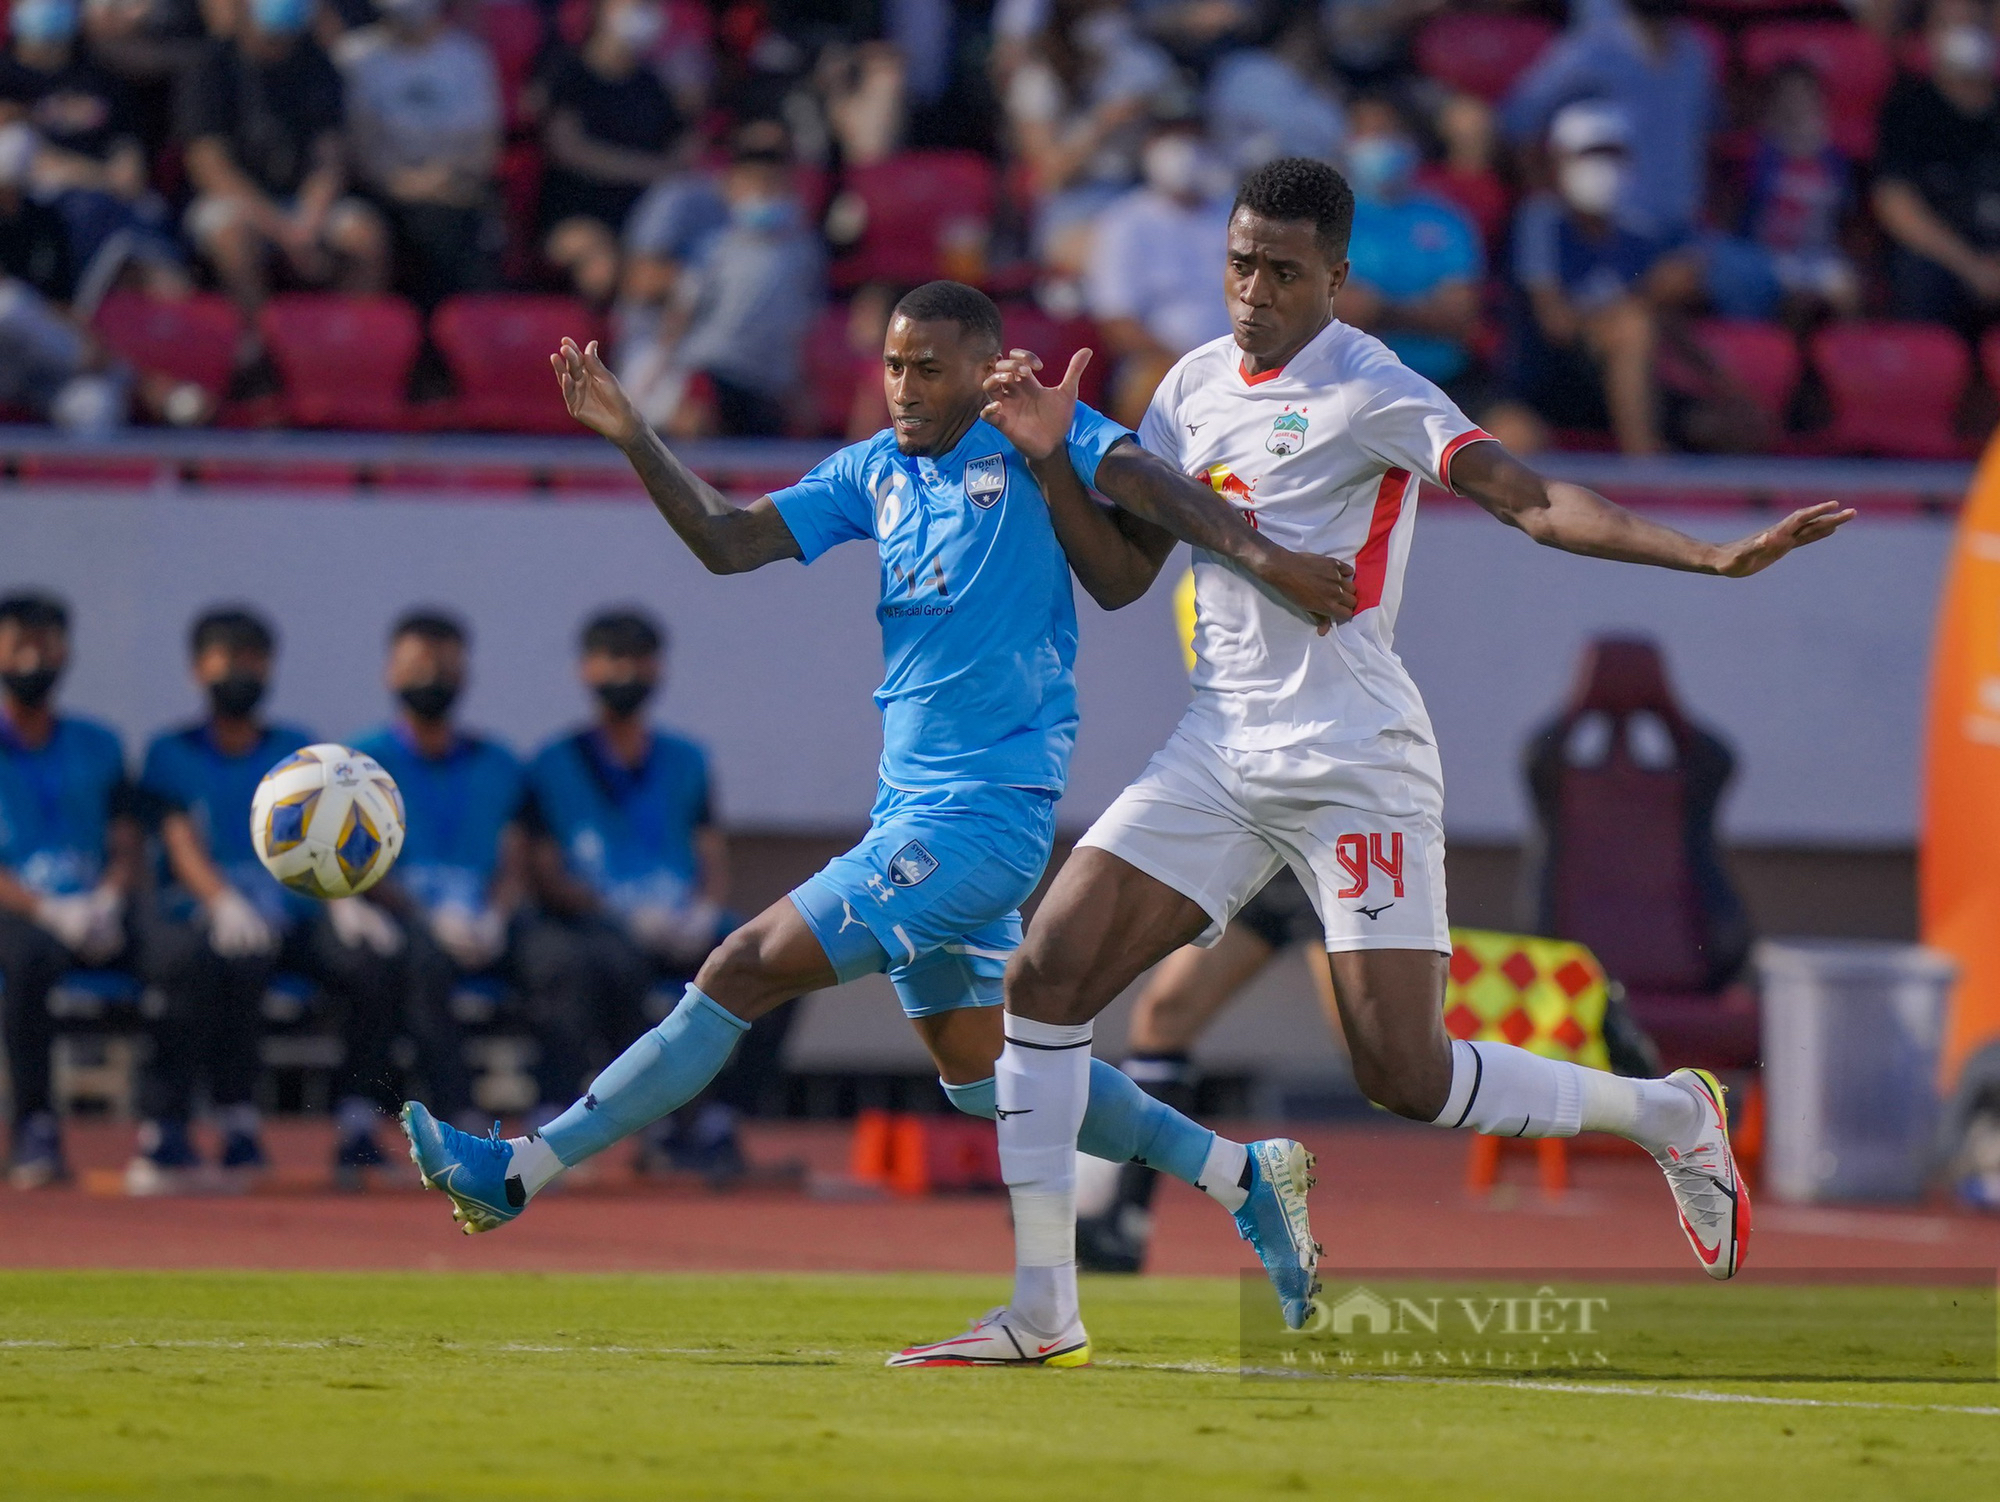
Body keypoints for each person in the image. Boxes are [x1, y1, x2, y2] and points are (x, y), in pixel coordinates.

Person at [903, 155, 1849, 1365]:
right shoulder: (1188, 386)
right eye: (1239, 261)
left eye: (1282, 271)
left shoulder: (1372, 386)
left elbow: (1531, 498)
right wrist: (1048, 457)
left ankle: (1671, 1111)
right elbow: (1121, 575)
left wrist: (1703, 556)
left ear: (1336, 278)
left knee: (1399, 1071)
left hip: (1356, 758)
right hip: (1218, 745)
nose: (1252, 289)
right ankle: (1042, 1309)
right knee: (1042, 979)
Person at [399, 282, 1357, 1347]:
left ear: (982, 367)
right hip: (907, 812)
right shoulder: (870, 471)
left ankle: (518, 1168)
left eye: (928, 368)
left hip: (980, 822)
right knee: (984, 1078)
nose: (903, 388)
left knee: (740, 965)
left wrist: (1256, 554)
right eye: (893, 366)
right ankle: (1242, 1175)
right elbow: (727, 540)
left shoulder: (1031, 439)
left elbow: (1143, 503)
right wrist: (635, 436)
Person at [129, 607, 406, 1190]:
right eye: (227, 660)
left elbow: (331, 836)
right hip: (208, 917)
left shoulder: (299, 751)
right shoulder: (169, 751)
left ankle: (359, 1122)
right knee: (223, 962)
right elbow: (179, 842)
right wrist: (223, 900)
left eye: (254, 661)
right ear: (197, 670)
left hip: (295, 912)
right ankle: (227, 1122)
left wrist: (347, 899)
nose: (242, 673)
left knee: (372, 962)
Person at [514, 607, 776, 1179]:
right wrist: (613, 913)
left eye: (640, 660)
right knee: (607, 965)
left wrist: (704, 908)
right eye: (615, 660)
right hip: (600, 926)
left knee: (775, 960)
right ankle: (650, 1122)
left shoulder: (687, 760)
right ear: (587, 670)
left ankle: (719, 1122)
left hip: (679, 921)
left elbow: (710, 852)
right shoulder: (551, 764)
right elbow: (544, 870)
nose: (629, 673)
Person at [346, 610, 523, 1143]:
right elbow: (353, 862)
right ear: (389, 674)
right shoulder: (359, 760)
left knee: (562, 961)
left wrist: (495, 914)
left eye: (446, 668)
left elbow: (516, 857)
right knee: (407, 964)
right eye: (419, 666)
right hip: (399, 919)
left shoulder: (500, 763)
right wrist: (423, 917)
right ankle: (447, 1112)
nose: (433, 680)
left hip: (481, 923)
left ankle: (561, 1114)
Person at [0, 592, 138, 1189]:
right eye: (20, 643)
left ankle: (174, 1127)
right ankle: (35, 1125)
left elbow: (126, 840)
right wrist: (47, 909)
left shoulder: (100, 744)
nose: (35, 657)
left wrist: (107, 896)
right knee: (29, 960)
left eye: (47, 643)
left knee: (180, 957)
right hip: (18, 914)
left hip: (96, 912)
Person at [1508, 102, 1702, 455]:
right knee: (1633, 325)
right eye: (1590, 156)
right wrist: (1649, 294)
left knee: (1727, 423)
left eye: (1612, 156)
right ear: (1559, 162)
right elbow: (1558, 325)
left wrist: (1730, 389)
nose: (1602, 168)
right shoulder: (1542, 222)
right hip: (1553, 379)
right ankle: (1644, 466)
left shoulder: (1640, 233)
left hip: (1625, 383)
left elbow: (1669, 324)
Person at [176, 0, 389, 314]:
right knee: (233, 239)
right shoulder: (210, 65)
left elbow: (329, 158)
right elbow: (209, 166)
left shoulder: (318, 64)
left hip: (303, 203)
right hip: (237, 199)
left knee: (364, 235)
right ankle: (261, 345)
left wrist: (309, 221)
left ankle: (344, 342)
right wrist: (282, 231)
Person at [614, 122, 822, 437]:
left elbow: (798, 326)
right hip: (707, 364)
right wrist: (659, 368)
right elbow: (671, 300)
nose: (764, 191)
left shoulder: (802, 248)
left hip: (766, 379)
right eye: (756, 179)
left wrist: (799, 391)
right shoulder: (712, 243)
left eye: (774, 180)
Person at [0, 0, 185, 297]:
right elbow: (24, 154)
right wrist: (101, 177)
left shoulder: (98, 74)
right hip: (44, 201)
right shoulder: (7, 76)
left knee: (157, 231)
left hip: (111, 194)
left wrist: (125, 167)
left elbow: (127, 149)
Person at [1500, 0, 1716, 243]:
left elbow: (1705, 132)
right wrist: (1548, 193)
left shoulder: (1695, 52)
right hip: (1615, 233)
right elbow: (1520, 118)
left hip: (1684, 229)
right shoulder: (1590, 48)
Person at [335, 0, 503, 307]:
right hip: (381, 189)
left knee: (464, 229)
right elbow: (359, 149)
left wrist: (438, 179)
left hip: (453, 187)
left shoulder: (469, 58)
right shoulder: (356, 57)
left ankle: (460, 340)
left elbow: (484, 150)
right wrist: (406, 184)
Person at [1084, 112, 1233, 427]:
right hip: (1162, 362)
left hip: (1245, 358)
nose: (1185, 150)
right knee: (1147, 385)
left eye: (1193, 137)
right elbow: (1117, 323)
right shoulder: (1125, 221)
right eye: (1172, 137)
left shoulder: (1234, 215)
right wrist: (1190, 366)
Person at [536, 0, 685, 299]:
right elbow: (567, 148)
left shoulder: (653, 83)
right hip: (576, 207)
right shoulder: (568, 71)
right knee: (601, 264)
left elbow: (684, 147)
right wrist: (645, 170)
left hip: (643, 213)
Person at [1872, 0, 2000, 328]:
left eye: (1971, 24)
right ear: (1929, 36)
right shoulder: (1908, 108)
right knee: (1916, 272)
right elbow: (1895, 204)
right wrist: (1971, 266)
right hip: (1943, 256)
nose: (1962, 35)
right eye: (1948, 25)